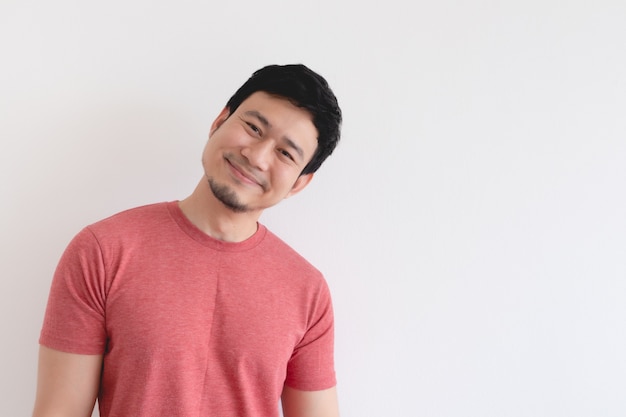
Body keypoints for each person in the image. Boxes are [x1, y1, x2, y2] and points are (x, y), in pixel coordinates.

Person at [32, 64, 342, 417]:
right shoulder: (102, 252)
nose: (256, 156)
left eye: (285, 153)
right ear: (219, 121)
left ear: (300, 182)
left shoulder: (308, 292)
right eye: (253, 127)